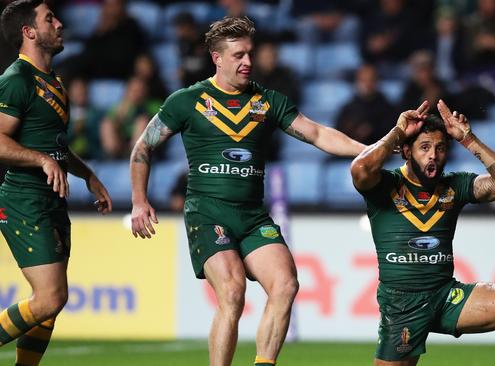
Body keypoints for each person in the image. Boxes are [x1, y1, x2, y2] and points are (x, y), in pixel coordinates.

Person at [129, 16, 365, 366]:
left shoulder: (267, 101)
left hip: (253, 216)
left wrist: (375, 147)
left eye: (249, 54)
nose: (248, 62)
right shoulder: (186, 101)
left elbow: (317, 134)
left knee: (286, 285)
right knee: (233, 292)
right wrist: (139, 201)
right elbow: (142, 149)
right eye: (238, 55)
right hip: (208, 213)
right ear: (217, 58)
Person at [350, 99, 495, 366]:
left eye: (439, 148)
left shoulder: (455, 186)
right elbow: (360, 169)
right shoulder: (385, 185)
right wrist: (399, 132)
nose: (433, 156)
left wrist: (468, 139)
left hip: (447, 297)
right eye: (424, 147)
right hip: (402, 305)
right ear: (406, 152)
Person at [0, 1, 112, 365]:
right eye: (50, 18)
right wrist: (41, 160)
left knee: (50, 305)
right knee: (49, 298)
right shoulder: (16, 80)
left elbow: (56, 146)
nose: (60, 23)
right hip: (24, 197)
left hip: (51, 199)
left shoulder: (54, 83)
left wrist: (88, 175)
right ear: (29, 32)